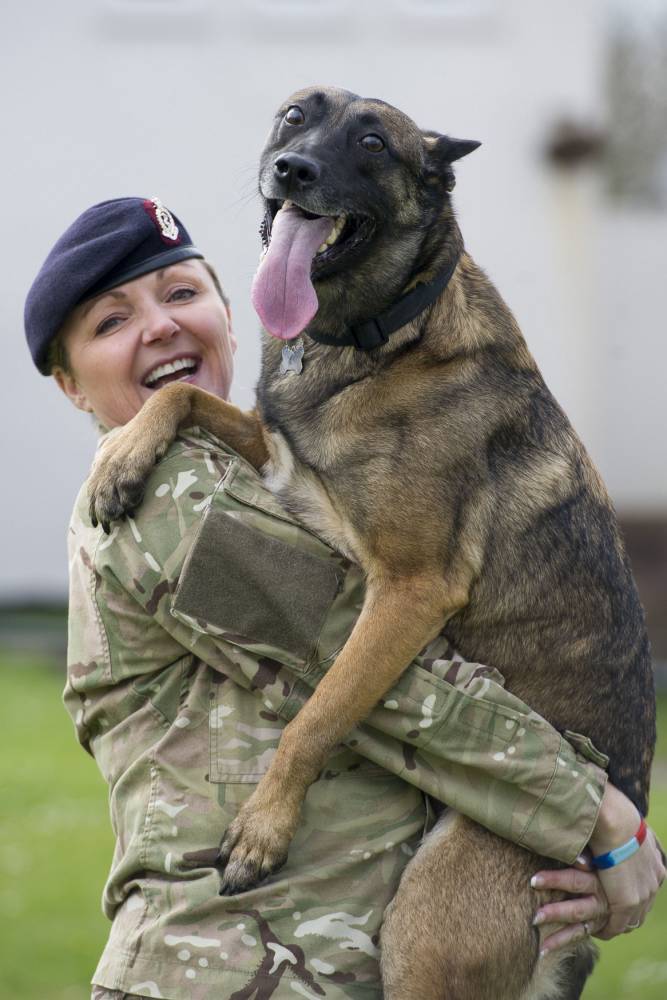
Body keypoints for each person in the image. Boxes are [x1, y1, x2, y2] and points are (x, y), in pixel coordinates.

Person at [25, 197, 664, 1000]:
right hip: (231, 969)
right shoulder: (168, 494)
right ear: (69, 385)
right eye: (111, 321)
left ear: (233, 308)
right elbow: (403, 682)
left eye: (182, 294)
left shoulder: (257, 467)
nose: (159, 326)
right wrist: (601, 821)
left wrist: (521, 874)